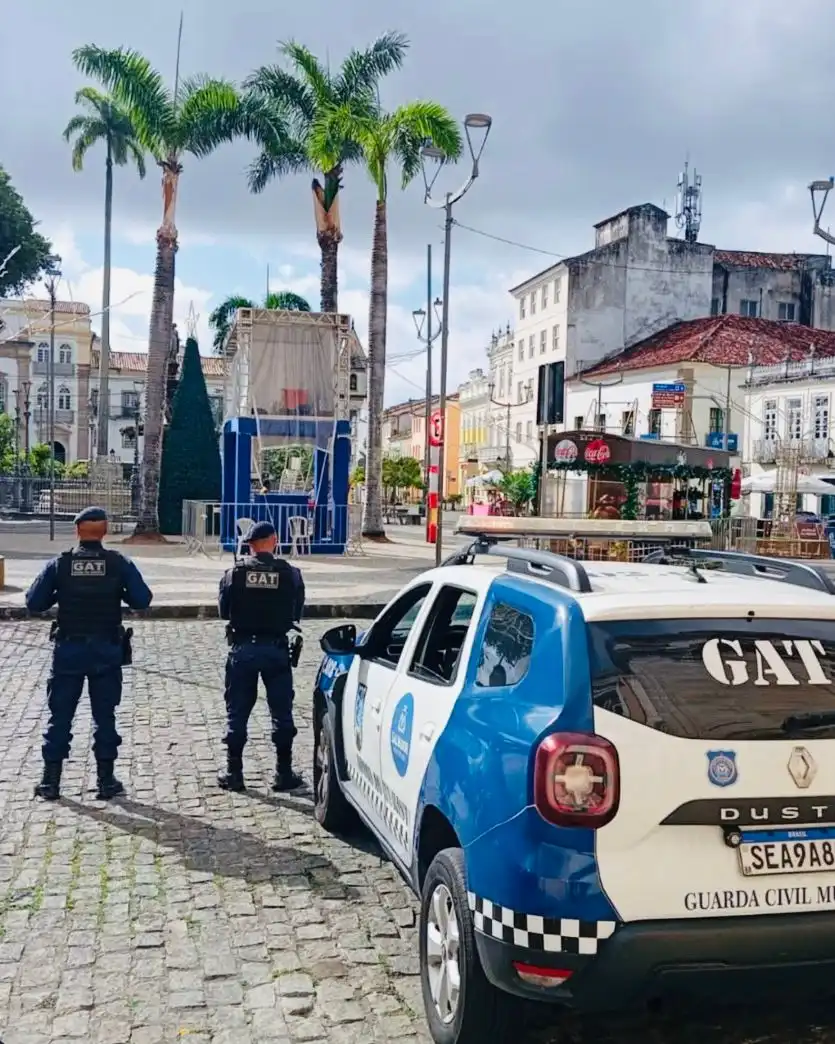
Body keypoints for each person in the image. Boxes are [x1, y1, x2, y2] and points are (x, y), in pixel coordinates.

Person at [25, 506, 154, 801]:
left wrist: (62, 592)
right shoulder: (118, 563)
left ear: (77, 530)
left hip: (69, 650)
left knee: (60, 716)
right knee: (104, 716)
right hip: (106, 651)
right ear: (105, 531)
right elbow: (142, 599)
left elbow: (35, 602)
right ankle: (106, 782)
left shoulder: (60, 564)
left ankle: (50, 782)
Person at [217, 520, 305, 793]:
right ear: (275, 540)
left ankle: (235, 773)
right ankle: (283, 772)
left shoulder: (233, 573)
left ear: (250, 545)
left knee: (237, 711)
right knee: (281, 711)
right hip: (276, 650)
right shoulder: (291, 574)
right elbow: (296, 611)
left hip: (243, 649)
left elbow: (223, 611)